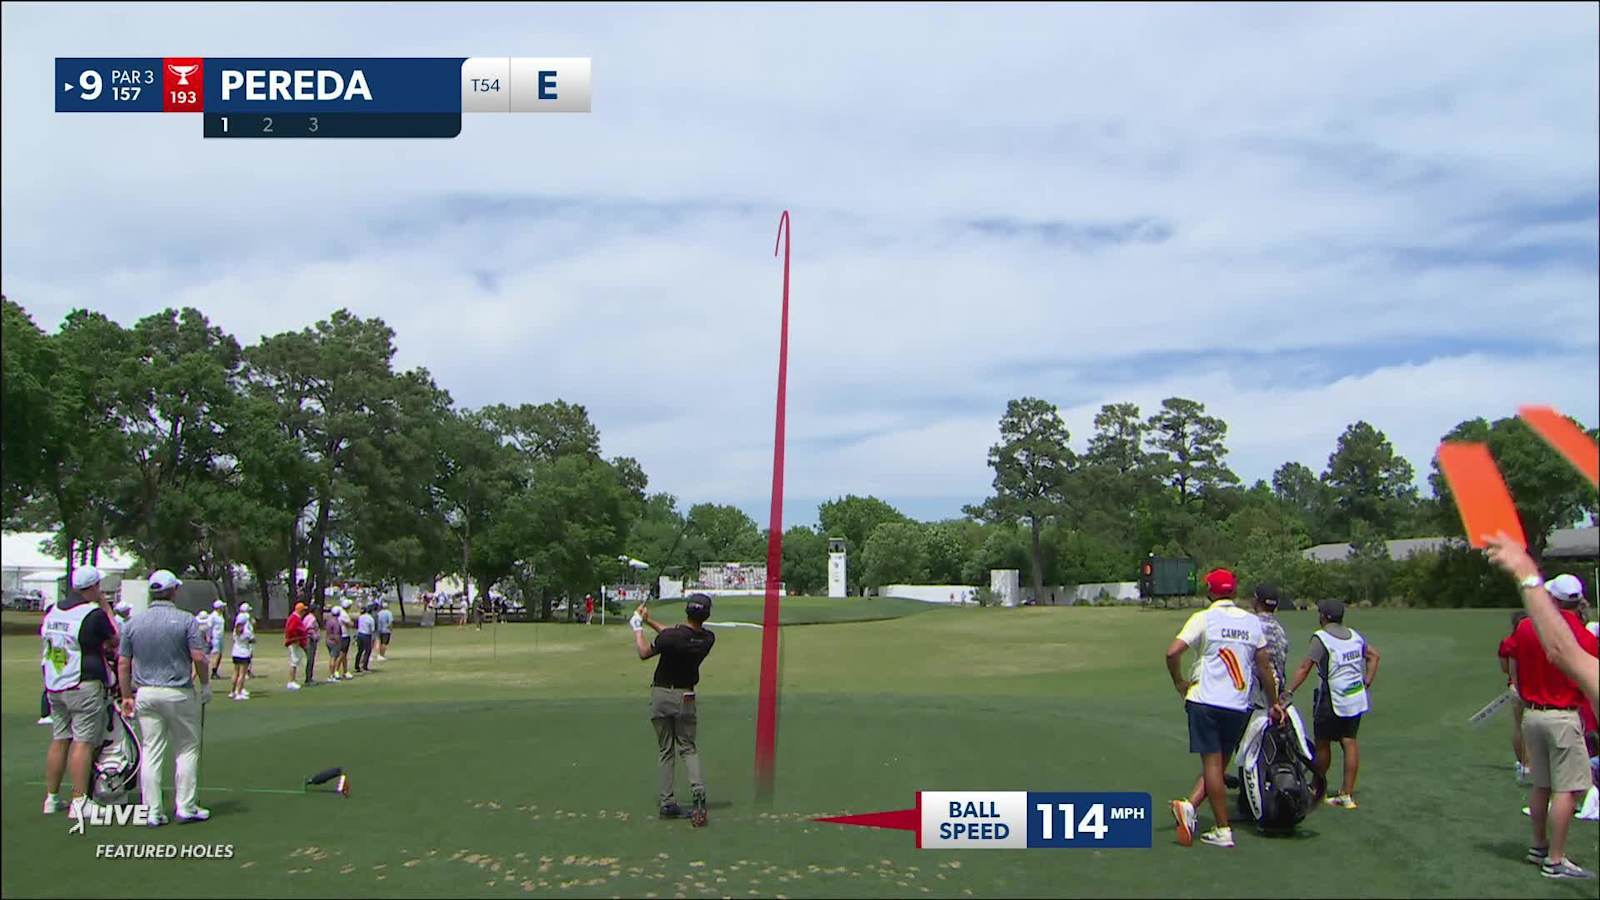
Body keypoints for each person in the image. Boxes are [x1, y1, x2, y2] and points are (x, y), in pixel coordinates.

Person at [1165, 568, 1282, 849]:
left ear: (1210, 591)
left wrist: (1180, 682)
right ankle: (1190, 807)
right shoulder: (1252, 623)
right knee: (1220, 764)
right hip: (1238, 704)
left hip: (1205, 700)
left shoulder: (1203, 618)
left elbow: (1172, 652)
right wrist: (1275, 702)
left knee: (1212, 766)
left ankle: (1222, 829)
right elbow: (1264, 667)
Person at [1498, 572, 1599, 880]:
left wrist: (1518, 679)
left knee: (1542, 784)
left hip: (1532, 715)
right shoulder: (1583, 635)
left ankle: (1539, 846)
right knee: (1568, 788)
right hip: (1564, 716)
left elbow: (1506, 653)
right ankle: (1556, 859)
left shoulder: (1528, 626)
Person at [117, 570, 211, 825]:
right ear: (173, 591)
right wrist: (205, 685)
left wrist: (126, 695)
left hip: (145, 692)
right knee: (187, 748)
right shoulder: (186, 620)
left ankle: (152, 811)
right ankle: (186, 806)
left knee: (151, 751)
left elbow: (123, 663)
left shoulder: (133, 623)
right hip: (178, 691)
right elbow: (199, 657)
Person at [1484, 533, 1598, 715]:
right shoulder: (1589, 635)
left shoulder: (1526, 626)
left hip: (1533, 710)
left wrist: (1526, 573)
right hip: (1573, 715)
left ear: (1553, 598)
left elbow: (1509, 662)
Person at [1284, 599, 1378, 809]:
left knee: (1323, 742)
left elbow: (1304, 667)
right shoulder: (1354, 636)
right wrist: (1367, 681)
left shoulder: (1322, 638)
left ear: (1324, 616)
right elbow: (1374, 656)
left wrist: (1289, 691)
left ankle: (1316, 788)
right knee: (1349, 741)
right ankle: (1346, 794)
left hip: (1332, 698)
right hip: (1355, 696)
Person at [41, 566, 119, 817]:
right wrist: (106, 607)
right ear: (94, 587)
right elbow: (114, 638)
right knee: (83, 742)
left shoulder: (54, 610)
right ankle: (79, 800)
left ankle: (51, 797)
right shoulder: (92, 613)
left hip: (55, 681)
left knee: (60, 738)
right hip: (82, 682)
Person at [632, 593, 717, 826]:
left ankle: (667, 802)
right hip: (686, 696)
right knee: (688, 748)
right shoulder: (708, 638)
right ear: (706, 615)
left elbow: (643, 652)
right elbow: (675, 636)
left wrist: (637, 627)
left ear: (686, 611)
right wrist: (650, 621)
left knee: (665, 751)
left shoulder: (671, 637)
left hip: (661, 695)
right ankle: (698, 790)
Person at [1501, 611, 1532, 783]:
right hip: (1531, 688)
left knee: (1519, 726)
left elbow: (1506, 670)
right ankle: (1530, 764)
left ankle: (1522, 762)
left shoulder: (1509, 642)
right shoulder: (1533, 640)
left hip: (1515, 687)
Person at [230, 602, 254, 700]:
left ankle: (232, 691)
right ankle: (239, 692)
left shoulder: (235, 632)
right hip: (244, 653)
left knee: (235, 672)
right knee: (242, 674)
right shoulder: (246, 632)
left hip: (235, 652)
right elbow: (253, 640)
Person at [284, 602, 309, 690]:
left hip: (296, 641)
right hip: (294, 642)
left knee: (296, 660)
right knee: (294, 661)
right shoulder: (294, 618)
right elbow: (291, 630)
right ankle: (291, 681)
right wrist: (296, 639)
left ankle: (293, 680)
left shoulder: (295, 618)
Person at [323, 603, 346, 681]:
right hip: (334, 642)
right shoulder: (336, 622)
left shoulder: (328, 621)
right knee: (333, 658)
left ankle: (331, 674)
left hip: (328, 640)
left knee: (332, 657)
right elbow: (336, 634)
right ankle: (332, 675)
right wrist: (339, 642)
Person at [301, 603, 321, 684]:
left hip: (308, 639)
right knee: (310, 659)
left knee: (310, 659)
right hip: (310, 640)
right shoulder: (312, 618)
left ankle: (309, 677)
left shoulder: (307, 617)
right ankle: (309, 678)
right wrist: (315, 636)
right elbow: (309, 629)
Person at [355, 603, 377, 672]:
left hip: (360, 634)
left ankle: (357, 665)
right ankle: (364, 666)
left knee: (360, 651)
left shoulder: (361, 617)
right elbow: (372, 630)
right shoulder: (371, 619)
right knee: (367, 651)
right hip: (366, 635)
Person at [207, 599, 226, 677]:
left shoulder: (220, 615)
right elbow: (209, 627)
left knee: (220, 654)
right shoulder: (212, 616)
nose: (223, 608)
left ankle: (216, 670)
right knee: (216, 654)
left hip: (220, 637)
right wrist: (209, 638)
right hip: (215, 638)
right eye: (222, 607)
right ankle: (213, 671)